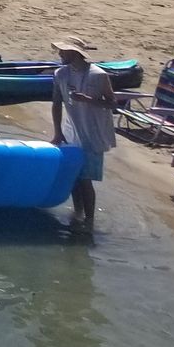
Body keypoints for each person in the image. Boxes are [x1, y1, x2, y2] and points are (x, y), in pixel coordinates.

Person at [51, 36, 116, 232]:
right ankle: (77, 214)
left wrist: (88, 100)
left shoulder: (98, 75)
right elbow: (56, 103)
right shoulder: (60, 74)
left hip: (92, 134)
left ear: (75, 53)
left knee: (85, 179)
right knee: (73, 176)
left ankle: (89, 220)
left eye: (63, 51)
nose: (60, 54)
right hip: (71, 132)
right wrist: (57, 132)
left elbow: (112, 103)